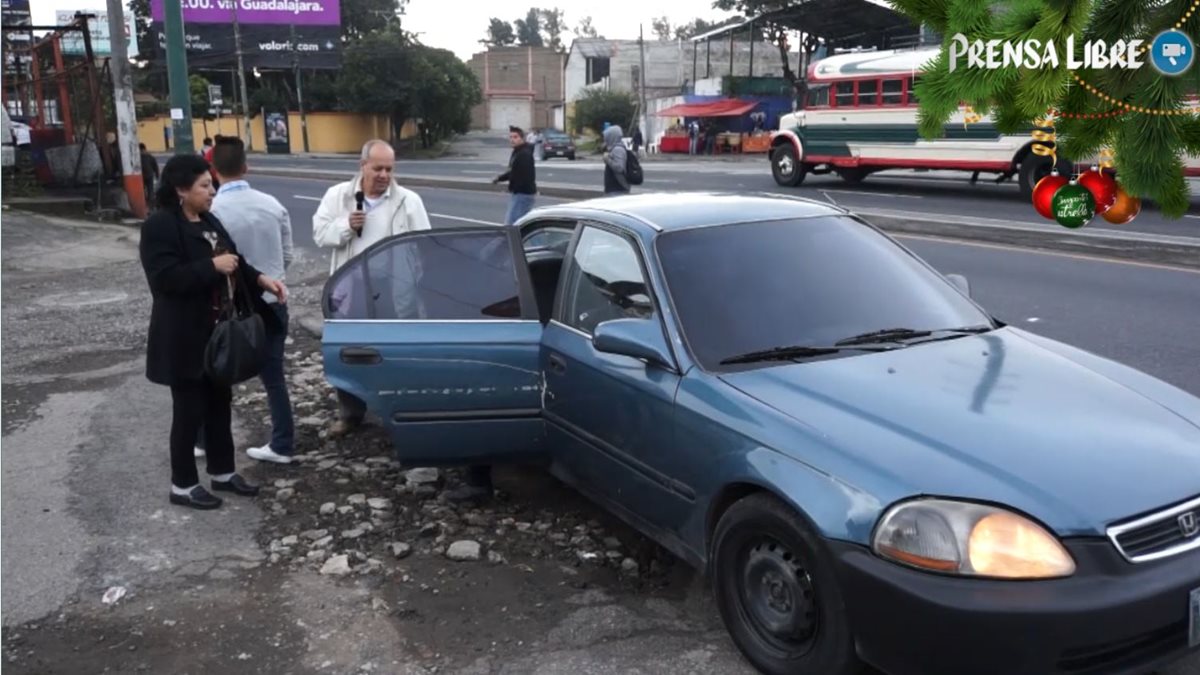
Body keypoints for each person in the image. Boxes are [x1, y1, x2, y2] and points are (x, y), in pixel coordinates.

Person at [138, 154, 286, 510]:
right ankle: (183, 485)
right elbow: (163, 280)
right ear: (181, 189)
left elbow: (234, 260)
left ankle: (222, 472)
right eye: (204, 186)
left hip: (216, 333)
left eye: (211, 185)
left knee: (220, 404)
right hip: (183, 337)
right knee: (188, 411)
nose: (211, 192)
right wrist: (210, 266)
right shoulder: (160, 225)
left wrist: (260, 278)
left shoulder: (208, 219)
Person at [312, 139, 431, 437]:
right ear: (362, 165)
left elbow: (425, 246)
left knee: (395, 350)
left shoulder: (408, 200)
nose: (384, 175)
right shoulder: (338, 196)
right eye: (377, 168)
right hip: (352, 289)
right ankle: (351, 413)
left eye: (389, 169)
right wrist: (345, 226)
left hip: (394, 290)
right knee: (349, 351)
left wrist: (422, 285)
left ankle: (399, 411)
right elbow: (320, 235)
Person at [197, 135, 296, 465]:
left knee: (215, 372)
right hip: (272, 300)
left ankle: (204, 440)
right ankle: (282, 443)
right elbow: (287, 256)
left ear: (213, 170)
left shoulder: (212, 213)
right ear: (246, 166)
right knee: (274, 378)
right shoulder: (273, 205)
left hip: (229, 308)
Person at [494, 125, 537, 225]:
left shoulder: (524, 154)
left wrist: (515, 187)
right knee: (522, 225)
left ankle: (537, 240)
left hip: (522, 194)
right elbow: (513, 171)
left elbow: (525, 176)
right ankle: (538, 240)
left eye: (515, 137)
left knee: (512, 226)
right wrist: (500, 178)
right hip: (520, 194)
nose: (512, 140)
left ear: (522, 138)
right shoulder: (517, 152)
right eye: (511, 137)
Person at [602, 124, 631, 196]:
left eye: (607, 137)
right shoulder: (614, 148)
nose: (605, 140)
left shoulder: (618, 149)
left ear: (611, 137)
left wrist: (607, 159)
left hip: (617, 189)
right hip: (614, 188)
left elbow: (619, 167)